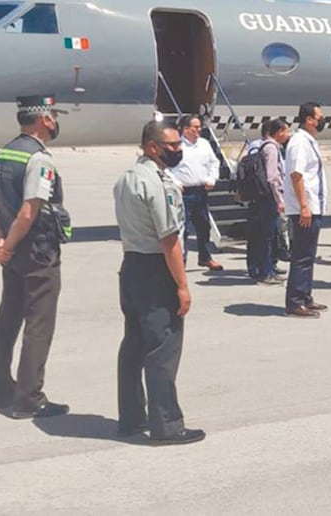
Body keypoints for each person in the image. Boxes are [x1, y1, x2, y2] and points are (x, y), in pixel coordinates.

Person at [112, 120, 205, 446]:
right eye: (173, 145)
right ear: (153, 147)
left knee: (133, 346)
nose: (178, 150)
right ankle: (166, 425)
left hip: (132, 266)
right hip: (156, 269)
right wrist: (182, 285)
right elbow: (169, 240)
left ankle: (131, 418)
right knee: (162, 349)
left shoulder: (126, 179)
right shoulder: (158, 184)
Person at [0, 95, 71, 419]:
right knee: (39, 324)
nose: (56, 122)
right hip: (37, 252)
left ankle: (2, 390)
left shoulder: (4, 153)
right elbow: (29, 211)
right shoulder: (39, 159)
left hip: (14, 253)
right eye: (54, 116)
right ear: (44, 119)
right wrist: (8, 244)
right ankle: (29, 398)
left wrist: (2, 242)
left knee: (8, 319)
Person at [284, 102, 330, 318]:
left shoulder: (309, 141)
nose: (322, 120)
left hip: (313, 207)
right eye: (320, 116)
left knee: (308, 254)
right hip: (305, 208)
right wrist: (304, 205)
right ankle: (294, 302)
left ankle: (305, 296)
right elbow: (296, 174)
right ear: (309, 119)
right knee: (302, 256)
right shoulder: (299, 142)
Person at [171, 114, 223, 271]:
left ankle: (205, 258)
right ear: (185, 129)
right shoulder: (177, 145)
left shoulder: (204, 144)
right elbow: (166, 167)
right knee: (183, 229)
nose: (199, 130)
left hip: (201, 191)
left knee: (204, 226)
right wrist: (176, 183)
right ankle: (182, 261)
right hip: (184, 192)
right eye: (195, 127)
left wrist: (212, 178)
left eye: (200, 127)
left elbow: (214, 163)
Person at [246, 119, 290, 284]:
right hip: (269, 197)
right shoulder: (271, 149)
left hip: (262, 197)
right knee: (266, 235)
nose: (288, 134)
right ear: (278, 132)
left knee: (264, 235)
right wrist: (279, 199)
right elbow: (273, 177)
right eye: (286, 131)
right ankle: (265, 272)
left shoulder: (265, 146)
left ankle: (265, 269)